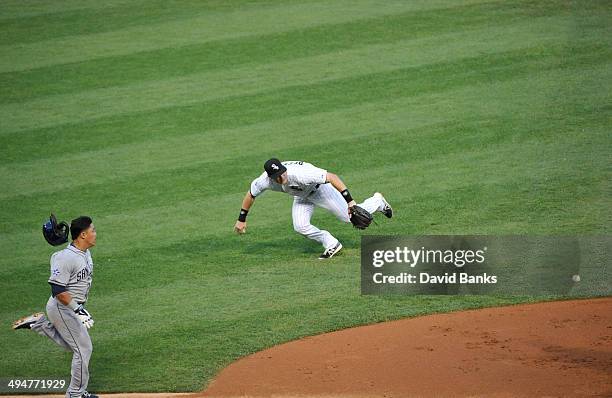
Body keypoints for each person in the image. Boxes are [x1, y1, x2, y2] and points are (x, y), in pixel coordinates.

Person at [234, 159, 393, 259]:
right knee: (300, 226)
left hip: (321, 190)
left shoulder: (302, 174)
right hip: (301, 195)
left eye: (283, 173)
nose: (282, 177)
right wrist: (242, 219)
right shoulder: (264, 181)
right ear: (270, 177)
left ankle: (377, 201)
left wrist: (351, 202)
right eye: (278, 176)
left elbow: (332, 177)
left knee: (348, 217)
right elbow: (251, 194)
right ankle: (331, 243)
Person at [13, 216, 99, 398]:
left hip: (71, 307)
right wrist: (78, 309)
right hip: (62, 307)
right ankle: (75, 394)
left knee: (76, 346)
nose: (95, 234)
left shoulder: (84, 253)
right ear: (83, 235)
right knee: (84, 349)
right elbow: (58, 290)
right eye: (92, 230)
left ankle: (39, 323)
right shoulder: (64, 258)